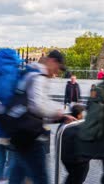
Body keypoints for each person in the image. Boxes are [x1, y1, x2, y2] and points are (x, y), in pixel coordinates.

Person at [9, 50, 76, 184]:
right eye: (58, 68)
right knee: (41, 177)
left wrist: (58, 116)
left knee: (17, 175)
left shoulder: (30, 72)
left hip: (19, 131)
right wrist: (59, 114)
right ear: (52, 61)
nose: (57, 73)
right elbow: (37, 106)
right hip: (30, 135)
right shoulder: (39, 76)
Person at [59, 104, 89, 184]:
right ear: (79, 115)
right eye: (83, 113)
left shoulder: (65, 124)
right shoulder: (79, 126)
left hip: (65, 159)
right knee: (77, 179)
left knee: (72, 177)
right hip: (78, 161)